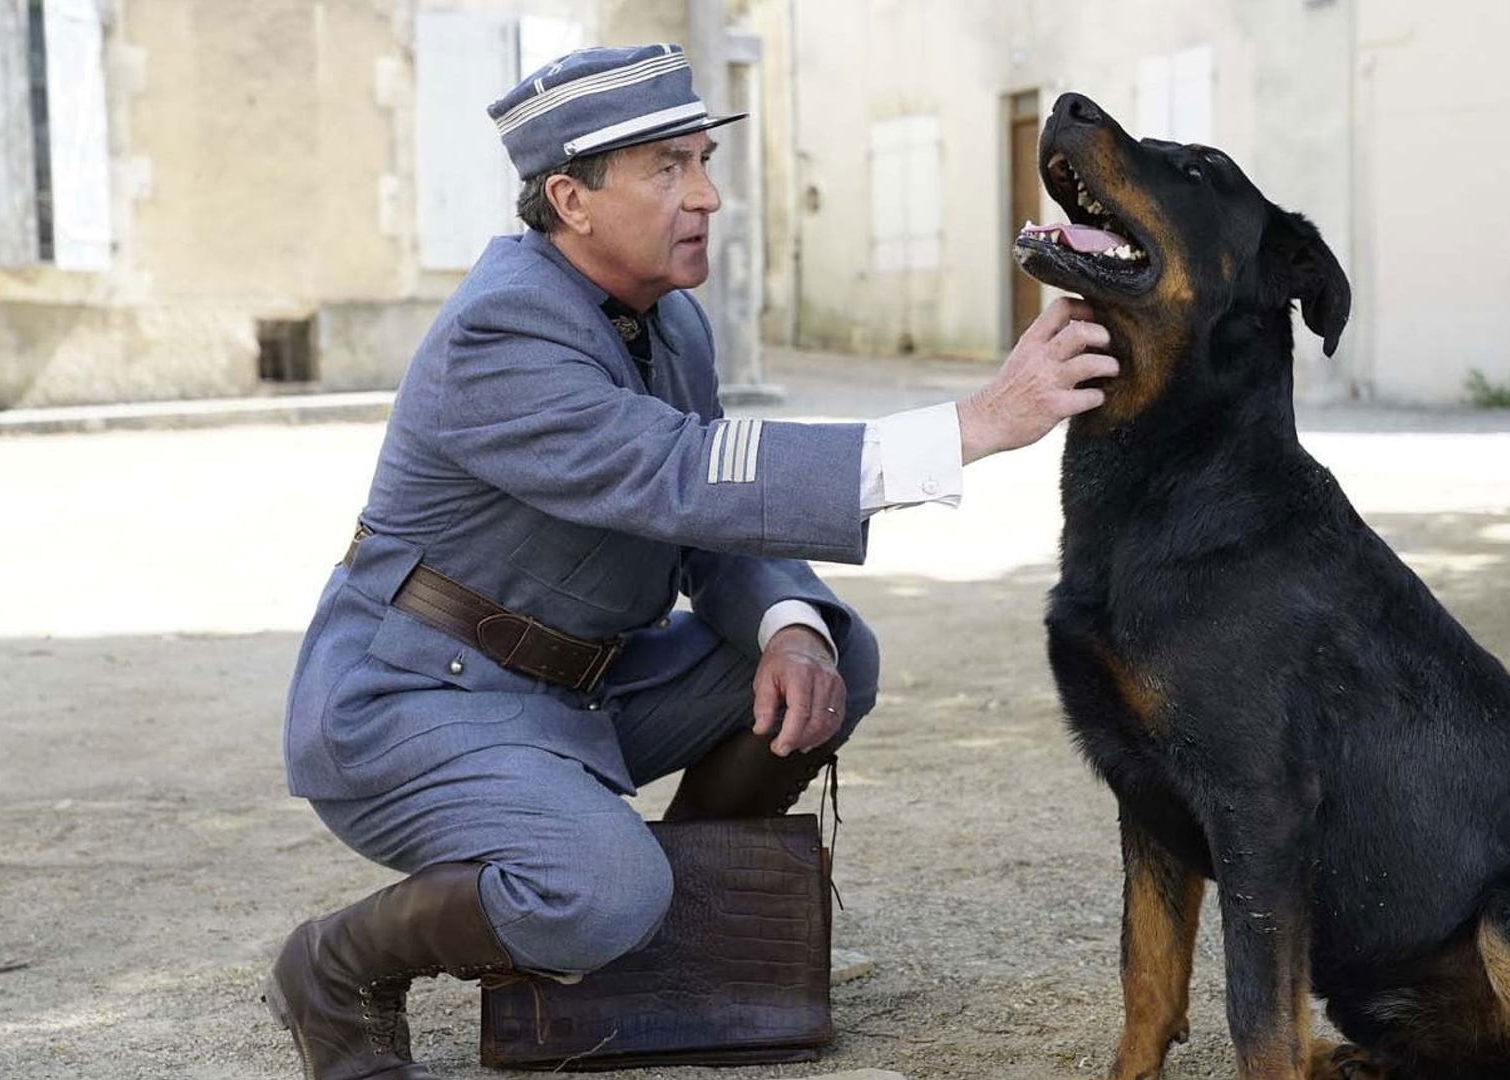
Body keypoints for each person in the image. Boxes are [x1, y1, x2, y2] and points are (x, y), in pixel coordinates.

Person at [265, 43, 1118, 1080]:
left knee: (831, 654)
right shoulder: (501, 331)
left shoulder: (668, 320)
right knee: (599, 892)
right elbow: (680, 473)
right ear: (570, 200)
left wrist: (790, 626)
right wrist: (972, 424)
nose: (707, 195)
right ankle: (337, 964)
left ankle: (660, 938)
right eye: (667, 168)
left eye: (703, 160)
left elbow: (711, 528)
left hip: (575, 686)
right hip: (417, 703)